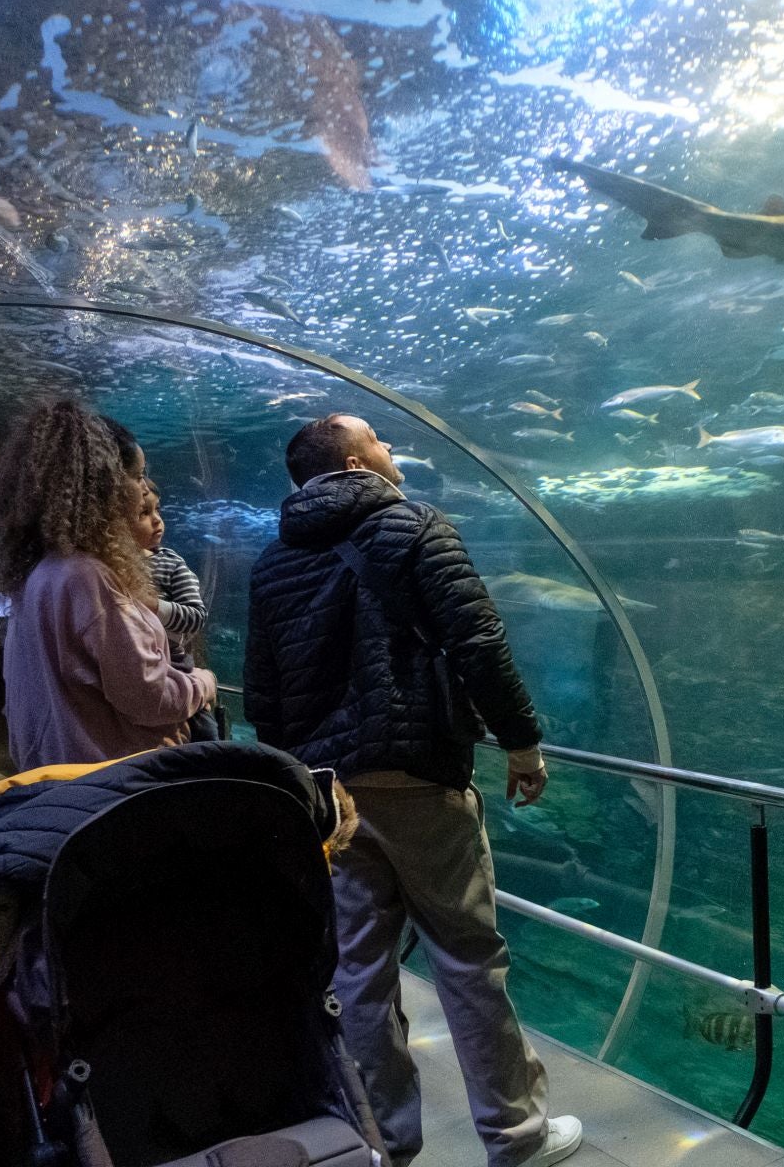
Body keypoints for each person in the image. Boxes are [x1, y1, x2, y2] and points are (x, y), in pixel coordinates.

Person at [244, 414, 580, 1167]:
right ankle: (516, 1136)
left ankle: (382, 1142)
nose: (395, 451)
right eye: (384, 442)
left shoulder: (273, 561)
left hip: (330, 795)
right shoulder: (415, 526)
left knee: (360, 971)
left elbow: (264, 693)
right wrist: (521, 743)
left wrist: (295, 788)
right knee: (466, 956)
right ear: (359, 460)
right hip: (418, 777)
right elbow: (478, 639)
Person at [0, 400, 216, 770]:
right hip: (115, 782)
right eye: (137, 475)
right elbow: (149, 697)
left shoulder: (40, 574)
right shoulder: (88, 577)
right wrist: (203, 682)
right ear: (107, 484)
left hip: (63, 777)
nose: (144, 490)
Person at [134, 479, 219, 743]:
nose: (157, 521)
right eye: (144, 513)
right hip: (142, 670)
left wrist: (155, 606)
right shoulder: (104, 569)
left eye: (158, 510)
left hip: (177, 667)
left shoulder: (170, 563)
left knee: (204, 733)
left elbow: (196, 615)